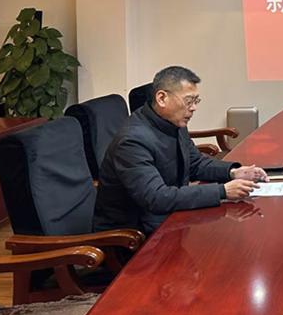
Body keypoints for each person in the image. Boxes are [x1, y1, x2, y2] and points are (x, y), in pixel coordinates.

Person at [93, 66, 267, 235]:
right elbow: (156, 197)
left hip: (168, 219)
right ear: (162, 98)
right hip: (133, 237)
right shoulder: (133, 141)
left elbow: (195, 164)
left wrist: (233, 172)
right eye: (188, 101)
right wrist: (222, 191)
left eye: (196, 101)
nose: (193, 108)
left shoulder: (173, 123)